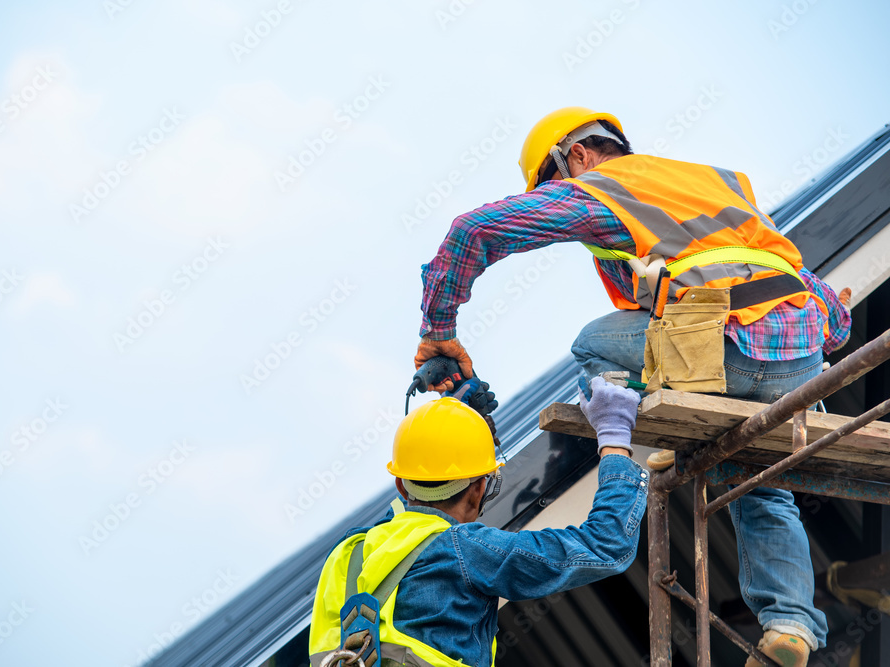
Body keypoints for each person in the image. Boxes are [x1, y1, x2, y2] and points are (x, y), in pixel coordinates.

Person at [412, 107, 852, 666]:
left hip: (720, 353)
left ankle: (623, 425)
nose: (553, 197)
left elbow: (474, 231)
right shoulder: (714, 187)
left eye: (550, 184)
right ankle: (789, 622)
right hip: (800, 360)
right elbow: (835, 320)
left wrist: (437, 331)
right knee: (761, 482)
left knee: (594, 343)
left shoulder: (607, 187)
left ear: (575, 156)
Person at [309, 379, 646, 667]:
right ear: (480, 489)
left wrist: (443, 431)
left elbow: (401, 518)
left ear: (400, 484)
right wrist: (614, 439)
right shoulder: (464, 550)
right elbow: (606, 545)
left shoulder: (348, 552)